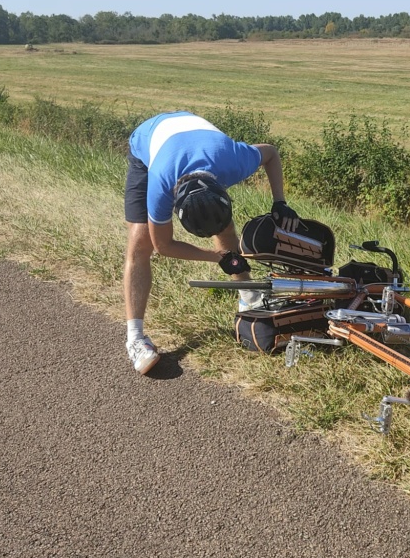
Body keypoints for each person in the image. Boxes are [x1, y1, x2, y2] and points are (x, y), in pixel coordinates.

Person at [123, 110, 299, 374]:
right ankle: (135, 339)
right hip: (149, 143)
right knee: (141, 242)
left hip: (197, 143)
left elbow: (271, 153)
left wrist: (280, 202)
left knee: (225, 228)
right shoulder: (161, 183)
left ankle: (248, 296)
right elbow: (164, 246)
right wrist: (217, 256)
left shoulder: (234, 160)